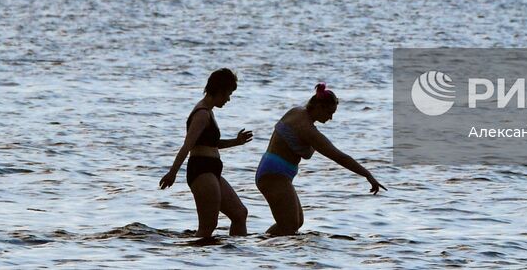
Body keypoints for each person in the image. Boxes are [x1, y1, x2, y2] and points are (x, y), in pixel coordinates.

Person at [255, 82, 386, 235]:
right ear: (319, 107)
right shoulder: (307, 129)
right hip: (274, 175)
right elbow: (339, 157)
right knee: (289, 225)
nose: (330, 118)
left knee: (296, 223)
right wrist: (367, 174)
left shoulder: (298, 112)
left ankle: (259, 245)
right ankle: (259, 249)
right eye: (330, 113)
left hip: (276, 172)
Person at [159, 67, 254, 238]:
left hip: (212, 171)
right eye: (228, 94)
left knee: (240, 214)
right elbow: (187, 146)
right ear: (218, 90)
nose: (228, 99)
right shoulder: (202, 114)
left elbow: (211, 144)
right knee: (208, 227)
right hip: (201, 171)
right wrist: (172, 173)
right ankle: (197, 260)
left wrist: (236, 141)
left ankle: (238, 258)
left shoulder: (209, 112)